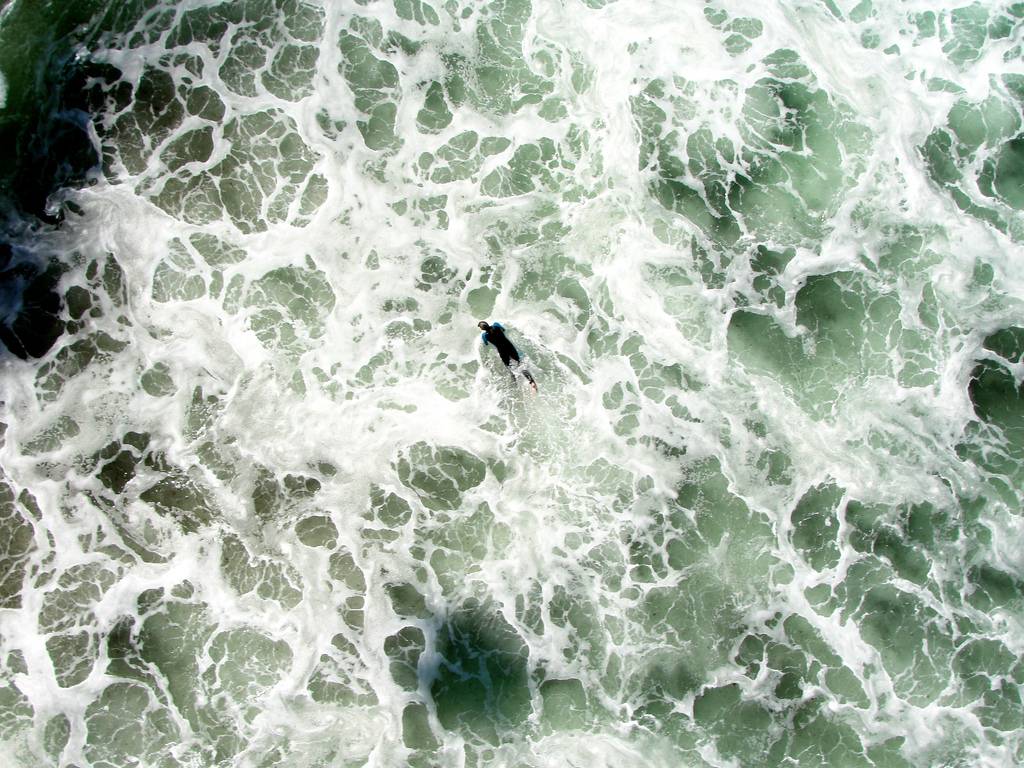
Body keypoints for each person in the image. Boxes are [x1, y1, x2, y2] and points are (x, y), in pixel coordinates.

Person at [478, 321, 537, 391]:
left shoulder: (485, 336)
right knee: (519, 364)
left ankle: (516, 385)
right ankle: (532, 382)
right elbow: (503, 329)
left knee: (510, 369)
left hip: (502, 352)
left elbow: (486, 343)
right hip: (509, 347)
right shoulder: (496, 325)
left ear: (482, 329)